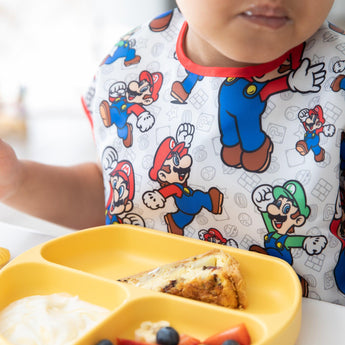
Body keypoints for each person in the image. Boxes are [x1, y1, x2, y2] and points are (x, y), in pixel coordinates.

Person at [1, 0, 345, 304]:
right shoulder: (133, 63)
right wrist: (17, 181)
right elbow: (120, 202)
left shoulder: (335, 82)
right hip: (147, 315)